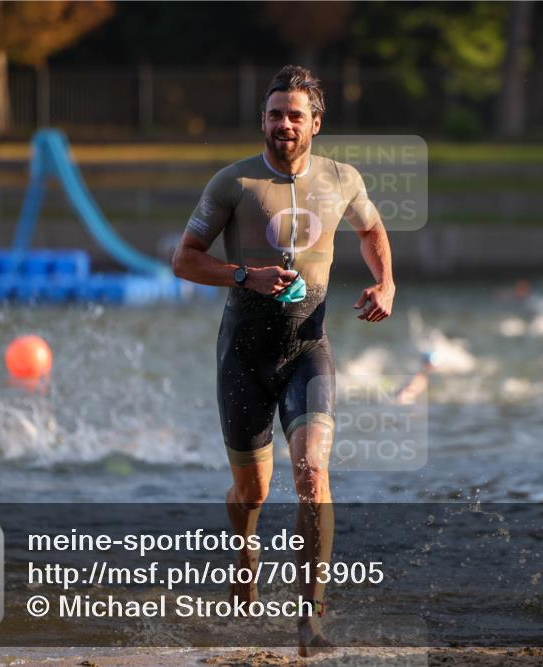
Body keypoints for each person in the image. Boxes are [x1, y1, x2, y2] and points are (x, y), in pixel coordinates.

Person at [171, 65, 395, 656]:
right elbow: (184, 260)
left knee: (313, 474)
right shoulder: (233, 184)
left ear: (316, 122)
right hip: (244, 354)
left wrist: (386, 283)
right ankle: (244, 559)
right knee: (252, 493)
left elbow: (372, 230)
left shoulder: (343, 178)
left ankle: (310, 619)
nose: (284, 125)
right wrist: (244, 274)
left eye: (296, 115)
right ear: (263, 121)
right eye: (275, 115)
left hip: (307, 349)